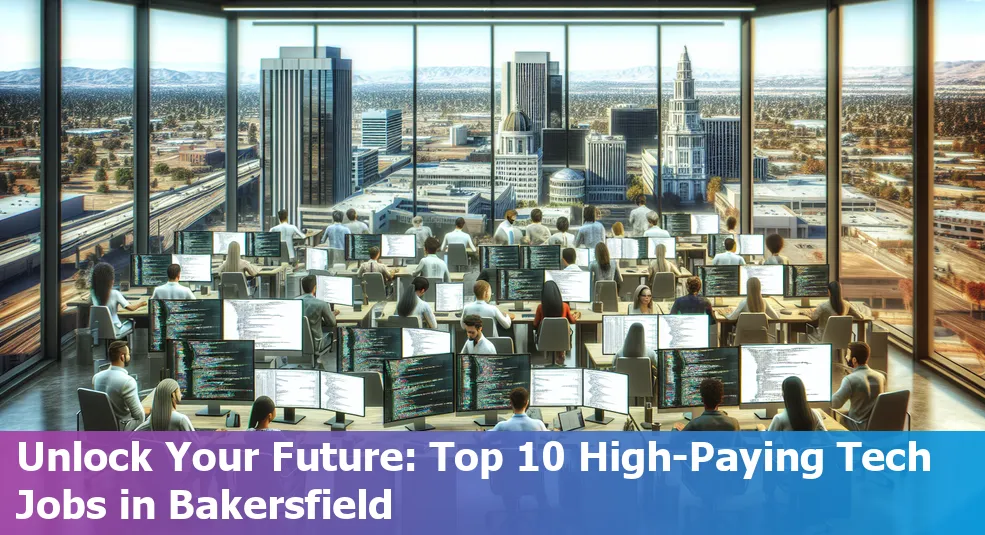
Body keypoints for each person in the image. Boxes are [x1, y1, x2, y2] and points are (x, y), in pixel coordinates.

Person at [91, 340, 147, 431]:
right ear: (122, 357)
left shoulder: (96, 378)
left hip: (100, 428)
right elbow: (139, 416)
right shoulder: (127, 381)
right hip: (120, 430)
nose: (129, 356)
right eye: (128, 354)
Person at [831, 342, 886, 430]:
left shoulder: (850, 379)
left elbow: (835, 403)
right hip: (876, 427)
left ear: (854, 360)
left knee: (831, 415)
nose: (845, 357)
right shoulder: (881, 376)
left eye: (848, 355)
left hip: (858, 426)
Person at [90, 261, 145, 333]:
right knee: (132, 322)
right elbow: (131, 308)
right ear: (111, 280)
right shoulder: (115, 293)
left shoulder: (92, 294)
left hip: (98, 330)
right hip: (115, 330)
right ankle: (124, 344)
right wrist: (141, 304)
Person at [674, 379, 740, 431]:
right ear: (721, 399)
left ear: (702, 399)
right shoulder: (734, 423)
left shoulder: (694, 424)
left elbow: (676, 443)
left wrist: (675, 429)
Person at [299, 274, 339, 352]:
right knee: (330, 334)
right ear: (315, 288)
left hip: (297, 342)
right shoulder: (321, 304)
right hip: (316, 344)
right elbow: (332, 323)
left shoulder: (295, 302)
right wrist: (332, 314)